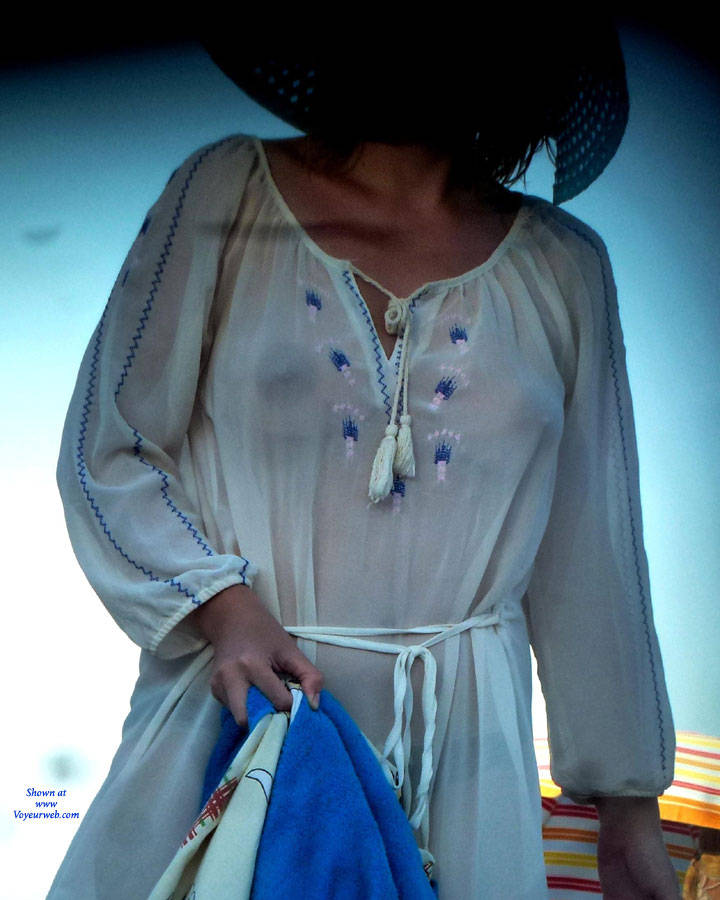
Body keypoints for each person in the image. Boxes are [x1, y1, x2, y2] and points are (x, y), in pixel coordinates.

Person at [48, 19, 679, 900]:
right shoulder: (227, 194)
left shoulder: (565, 266)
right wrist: (224, 610)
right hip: (243, 727)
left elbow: (594, 555)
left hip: (467, 769)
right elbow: (107, 447)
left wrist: (630, 811)